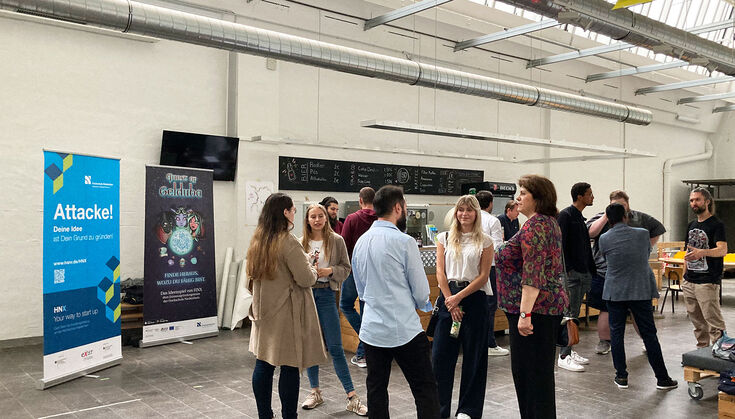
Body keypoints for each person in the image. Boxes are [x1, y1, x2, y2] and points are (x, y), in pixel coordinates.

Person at [352, 185, 440, 419]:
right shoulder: (405, 242)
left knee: (376, 390)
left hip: (372, 329)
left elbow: (361, 289)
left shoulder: (361, 242)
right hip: (404, 328)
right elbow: (421, 290)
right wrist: (420, 304)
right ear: (398, 208)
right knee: (424, 388)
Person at [246, 193, 327, 419]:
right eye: (293, 210)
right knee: (290, 367)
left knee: (263, 364)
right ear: (285, 212)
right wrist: (311, 267)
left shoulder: (258, 239)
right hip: (286, 314)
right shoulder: (288, 241)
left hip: (264, 312)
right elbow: (305, 279)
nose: (294, 214)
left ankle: (264, 414)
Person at [496, 175, 568, 419]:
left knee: (530, 378)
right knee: (537, 378)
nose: (518, 198)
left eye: (523, 193)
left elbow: (533, 274)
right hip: (543, 309)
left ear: (538, 197)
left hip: (534, 312)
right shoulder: (548, 223)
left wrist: (525, 314)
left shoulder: (536, 226)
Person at [598, 203, 678, 390]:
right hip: (640, 290)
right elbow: (645, 253)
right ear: (625, 217)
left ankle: (621, 376)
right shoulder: (642, 234)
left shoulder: (604, 238)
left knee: (616, 334)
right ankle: (662, 378)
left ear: (609, 220)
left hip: (615, 291)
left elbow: (605, 258)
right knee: (649, 334)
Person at [299, 204, 368, 416]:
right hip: (306, 296)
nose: (317, 220)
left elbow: (346, 268)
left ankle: (352, 397)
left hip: (327, 294)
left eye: (320, 216)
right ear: (307, 220)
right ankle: (315, 391)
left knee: (336, 347)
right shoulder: (300, 242)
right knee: (311, 345)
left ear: (326, 218)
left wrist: (329, 271)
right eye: (313, 216)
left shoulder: (336, 241)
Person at [432, 195, 493, 419]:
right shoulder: (444, 237)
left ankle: (468, 410)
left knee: (475, 357)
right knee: (441, 356)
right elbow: (440, 272)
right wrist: (451, 300)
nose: (464, 214)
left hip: (474, 298)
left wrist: (459, 297)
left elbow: (484, 275)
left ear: (476, 213)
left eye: (469, 210)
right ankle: (439, 409)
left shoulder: (485, 241)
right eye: (460, 210)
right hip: (448, 300)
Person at [587, 190, 665, 355]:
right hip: (606, 273)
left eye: (622, 205)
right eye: (615, 205)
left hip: (634, 275)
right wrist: (607, 216)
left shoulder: (640, 220)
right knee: (606, 310)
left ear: (628, 205)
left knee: (638, 311)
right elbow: (590, 233)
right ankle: (605, 342)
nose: (619, 208)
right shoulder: (601, 218)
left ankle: (647, 341)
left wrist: (645, 248)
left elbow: (657, 228)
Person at [556, 182, 596, 372]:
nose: (592, 197)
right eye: (589, 194)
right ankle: (564, 355)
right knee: (569, 314)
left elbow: (585, 246)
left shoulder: (579, 217)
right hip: (571, 275)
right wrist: (569, 270)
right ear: (580, 196)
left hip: (582, 272)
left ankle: (570, 350)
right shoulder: (566, 215)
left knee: (574, 312)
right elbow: (560, 245)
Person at [683, 187, 728, 347]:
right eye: (691, 200)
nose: (694, 203)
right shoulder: (691, 225)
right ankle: (702, 351)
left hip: (707, 281)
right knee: (698, 323)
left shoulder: (716, 224)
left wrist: (702, 252)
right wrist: (684, 277)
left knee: (713, 322)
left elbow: (722, 250)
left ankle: (720, 352)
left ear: (707, 202)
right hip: (689, 281)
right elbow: (687, 252)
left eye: (697, 200)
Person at [340, 187, 377, 368]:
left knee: (345, 305)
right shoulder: (380, 219)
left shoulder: (352, 219)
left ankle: (364, 351)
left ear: (360, 200)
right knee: (366, 310)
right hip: (374, 273)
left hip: (354, 272)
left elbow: (343, 245)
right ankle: (365, 352)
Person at [475, 190, 509, 357]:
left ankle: (476, 342)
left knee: (475, 305)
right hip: (490, 267)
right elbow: (497, 246)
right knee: (490, 306)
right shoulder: (493, 220)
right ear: (490, 203)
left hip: (472, 267)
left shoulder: (472, 218)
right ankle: (489, 343)